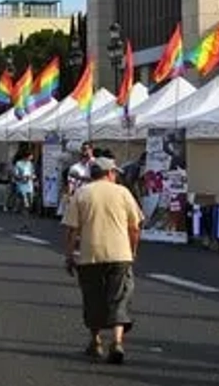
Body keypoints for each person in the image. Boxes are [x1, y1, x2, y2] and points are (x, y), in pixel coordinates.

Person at [62, 156, 143, 364]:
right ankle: (117, 341)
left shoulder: (81, 193)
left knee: (93, 298)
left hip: (90, 254)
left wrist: (70, 256)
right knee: (119, 297)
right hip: (120, 254)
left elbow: (72, 230)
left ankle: (95, 340)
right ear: (109, 173)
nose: (115, 176)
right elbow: (135, 227)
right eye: (114, 173)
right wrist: (133, 250)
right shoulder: (123, 193)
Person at [61, 142, 95, 219]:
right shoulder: (75, 168)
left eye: (87, 149)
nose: (85, 152)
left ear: (91, 150)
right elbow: (71, 184)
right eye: (83, 149)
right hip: (79, 198)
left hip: (93, 197)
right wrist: (69, 197)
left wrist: (80, 177)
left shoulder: (96, 165)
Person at [11, 144, 36, 232]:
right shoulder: (18, 163)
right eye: (31, 155)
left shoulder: (30, 164)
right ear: (27, 155)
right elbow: (15, 175)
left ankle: (25, 224)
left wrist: (32, 177)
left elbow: (33, 174)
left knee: (29, 207)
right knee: (26, 206)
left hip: (30, 186)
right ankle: (25, 225)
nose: (32, 157)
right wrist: (23, 177)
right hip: (21, 186)